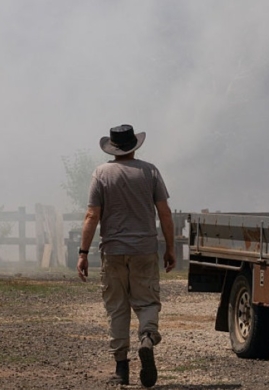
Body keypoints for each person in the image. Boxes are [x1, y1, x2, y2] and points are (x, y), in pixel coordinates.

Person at [77, 124, 176, 388]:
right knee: (147, 302)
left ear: (113, 147)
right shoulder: (150, 171)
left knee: (117, 308)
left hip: (114, 252)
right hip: (144, 250)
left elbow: (91, 216)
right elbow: (164, 212)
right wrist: (170, 248)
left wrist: (83, 252)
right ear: (134, 146)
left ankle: (121, 369)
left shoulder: (101, 174)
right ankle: (146, 336)